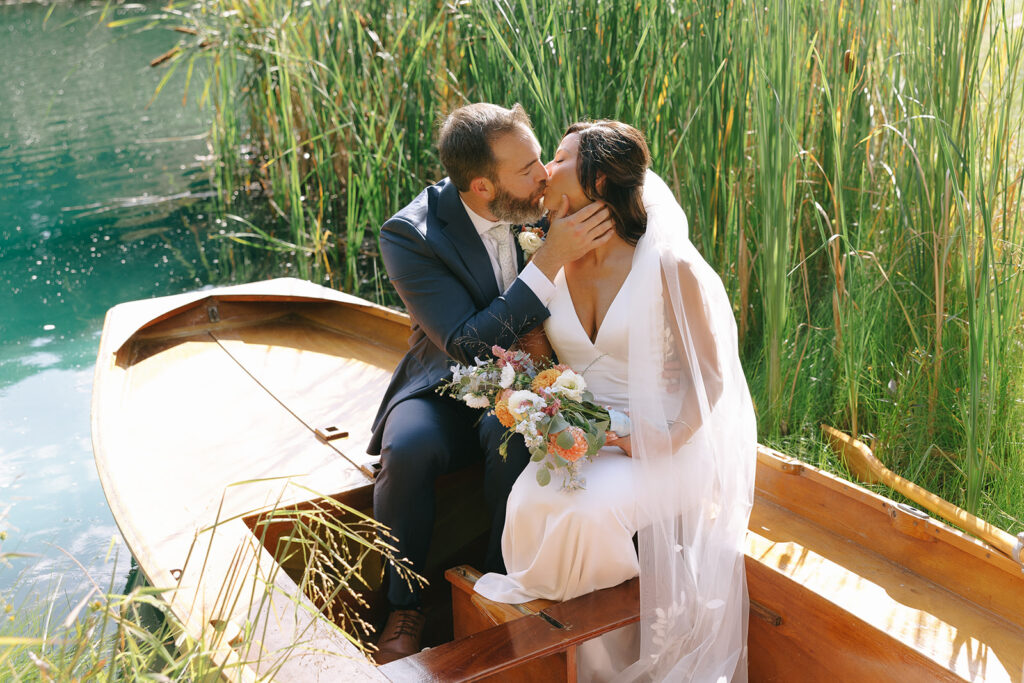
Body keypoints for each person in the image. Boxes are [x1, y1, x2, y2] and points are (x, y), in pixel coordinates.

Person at [473, 121, 757, 681]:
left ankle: (610, 664)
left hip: (666, 442)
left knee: (585, 516)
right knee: (527, 503)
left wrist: (657, 439)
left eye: (558, 158)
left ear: (599, 180)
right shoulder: (552, 260)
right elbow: (538, 357)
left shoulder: (668, 266)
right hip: (584, 437)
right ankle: (562, 653)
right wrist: (544, 404)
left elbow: (711, 379)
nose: (545, 171)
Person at [367, 102, 617, 664]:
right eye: (527, 168)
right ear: (482, 187)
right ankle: (403, 603)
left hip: (529, 376)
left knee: (511, 436)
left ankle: (494, 580)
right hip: (444, 381)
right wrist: (548, 259)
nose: (544, 175)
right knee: (405, 451)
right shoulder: (411, 235)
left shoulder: (545, 198)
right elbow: (466, 343)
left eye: (540, 159)